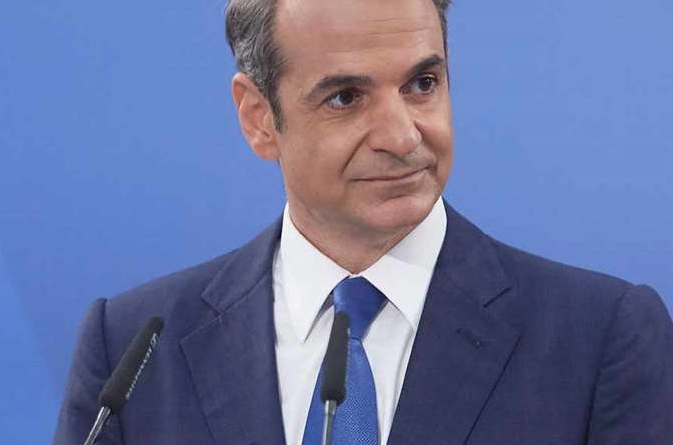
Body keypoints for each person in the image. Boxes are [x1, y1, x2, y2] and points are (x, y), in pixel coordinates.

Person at [53, 0, 673, 443]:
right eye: (346, 97)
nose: (402, 137)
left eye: (422, 84)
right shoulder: (133, 348)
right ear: (259, 118)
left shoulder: (600, 339)